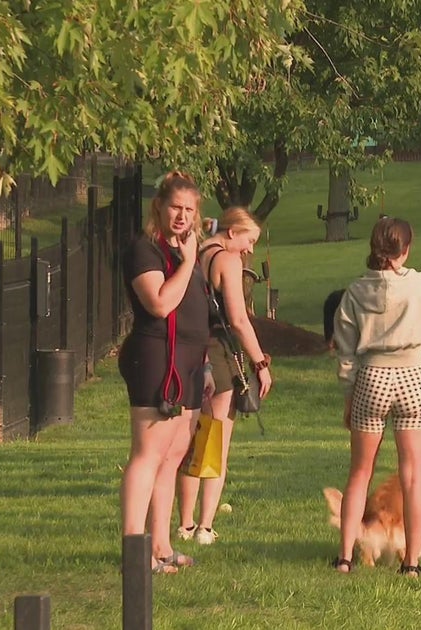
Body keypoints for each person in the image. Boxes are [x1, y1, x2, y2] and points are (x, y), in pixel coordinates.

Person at [330, 217, 421, 577]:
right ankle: (412, 562)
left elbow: (346, 351)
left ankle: (345, 558)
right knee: (413, 476)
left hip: (372, 377)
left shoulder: (355, 291)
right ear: (407, 249)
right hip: (413, 375)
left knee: (359, 473)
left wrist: (349, 394)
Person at [118, 170, 210, 574]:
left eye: (189, 209)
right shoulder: (146, 250)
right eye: (176, 207)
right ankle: (134, 553)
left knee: (172, 456)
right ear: (159, 206)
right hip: (157, 356)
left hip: (189, 362)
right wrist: (189, 261)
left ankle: (161, 546)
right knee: (148, 455)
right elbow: (159, 304)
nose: (182, 216)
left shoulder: (182, 251)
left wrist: (204, 366)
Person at [177, 207, 273, 546]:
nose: (249, 250)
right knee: (216, 441)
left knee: (193, 440)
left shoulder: (198, 253)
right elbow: (238, 319)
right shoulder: (228, 261)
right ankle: (205, 527)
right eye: (249, 240)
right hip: (219, 353)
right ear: (232, 232)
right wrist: (260, 363)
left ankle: (184, 524)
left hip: (189, 352)